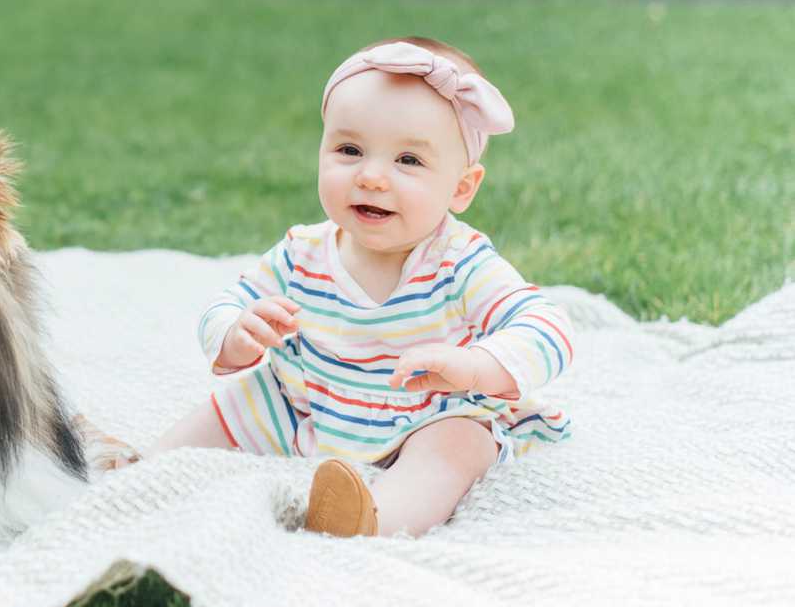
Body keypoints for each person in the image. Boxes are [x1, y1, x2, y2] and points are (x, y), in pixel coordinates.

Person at [138, 37, 574, 538]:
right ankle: (146, 474)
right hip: (314, 401)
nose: (371, 177)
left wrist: (475, 366)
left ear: (461, 188)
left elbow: (548, 327)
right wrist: (235, 333)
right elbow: (227, 302)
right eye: (349, 150)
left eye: (408, 161)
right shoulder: (302, 252)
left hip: (424, 414)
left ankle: (373, 516)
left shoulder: (461, 263)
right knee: (237, 403)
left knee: (459, 445)